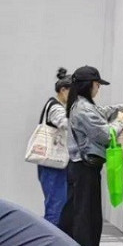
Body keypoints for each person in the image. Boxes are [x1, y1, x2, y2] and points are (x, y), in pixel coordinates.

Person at [58, 66, 123, 246]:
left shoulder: (83, 105)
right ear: (88, 85)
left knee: (82, 216)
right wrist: (122, 119)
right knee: (86, 220)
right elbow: (107, 135)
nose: (98, 88)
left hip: (83, 169)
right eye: (97, 84)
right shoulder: (83, 108)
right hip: (84, 170)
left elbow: (104, 112)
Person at [37, 68, 71, 226]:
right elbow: (66, 124)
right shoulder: (56, 107)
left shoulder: (56, 105)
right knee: (56, 206)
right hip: (53, 163)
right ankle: (51, 239)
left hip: (53, 163)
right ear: (63, 90)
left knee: (57, 204)